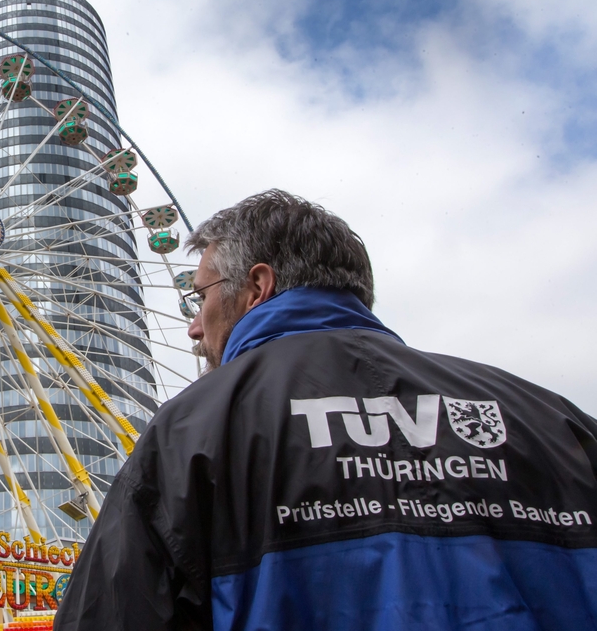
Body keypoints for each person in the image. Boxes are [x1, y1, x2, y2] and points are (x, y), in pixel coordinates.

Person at [54, 190, 597, 629]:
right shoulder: (552, 419)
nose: (194, 326)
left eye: (200, 297)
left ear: (257, 286)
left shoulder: (195, 429)